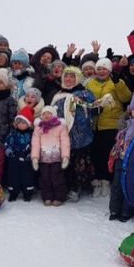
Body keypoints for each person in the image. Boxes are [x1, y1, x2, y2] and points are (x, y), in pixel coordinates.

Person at [51, 66, 101, 202]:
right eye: (66, 76)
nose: (68, 79)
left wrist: (94, 105)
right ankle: (67, 186)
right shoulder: (58, 95)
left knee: (81, 163)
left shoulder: (85, 93)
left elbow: (96, 110)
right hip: (63, 134)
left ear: (77, 78)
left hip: (81, 134)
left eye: (72, 76)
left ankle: (78, 187)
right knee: (66, 162)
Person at [86, 58, 132, 197]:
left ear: (109, 71)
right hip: (94, 124)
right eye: (99, 68)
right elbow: (86, 100)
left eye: (104, 69)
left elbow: (126, 97)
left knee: (107, 153)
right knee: (95, 154)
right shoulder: (90, 83)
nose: (101, 71)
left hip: (111, 123)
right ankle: (97, 181)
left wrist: (118, 83)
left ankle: (106, 180)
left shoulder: (116, 82)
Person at [108, 91, 134, 221]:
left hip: (133, 162)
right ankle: (114, 209)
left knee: (128, 186)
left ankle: (126, 211)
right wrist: (113, 156)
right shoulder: (125, 125)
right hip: (120, 158)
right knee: (117, 185)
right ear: (130, 110)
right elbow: (118, 142)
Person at [31, 106, 71, 206]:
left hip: (56, 157)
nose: (46, 115)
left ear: (53, 115)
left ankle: (59, 197)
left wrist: (65, 156)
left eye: (49, 113)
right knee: (45, 178)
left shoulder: (60, 127)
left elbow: (65, 142)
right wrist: (35, 157)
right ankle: (47, 197)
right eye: (44, 114)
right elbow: (35, 143)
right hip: (44, 158)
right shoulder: (39, 128)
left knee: (57, 177)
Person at [4, 106, 36, 201]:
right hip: (14, 156)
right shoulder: (12, 133)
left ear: (28, 124)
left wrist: (31, 153)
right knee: (13, 175)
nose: (21, 125)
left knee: (27, 176)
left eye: (24, 123)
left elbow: (34, 145)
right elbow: (7, 142)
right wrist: (8, 150)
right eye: (19, 123)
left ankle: (27, 193)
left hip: (26, 157)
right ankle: (13, 192)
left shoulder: (31, 135)